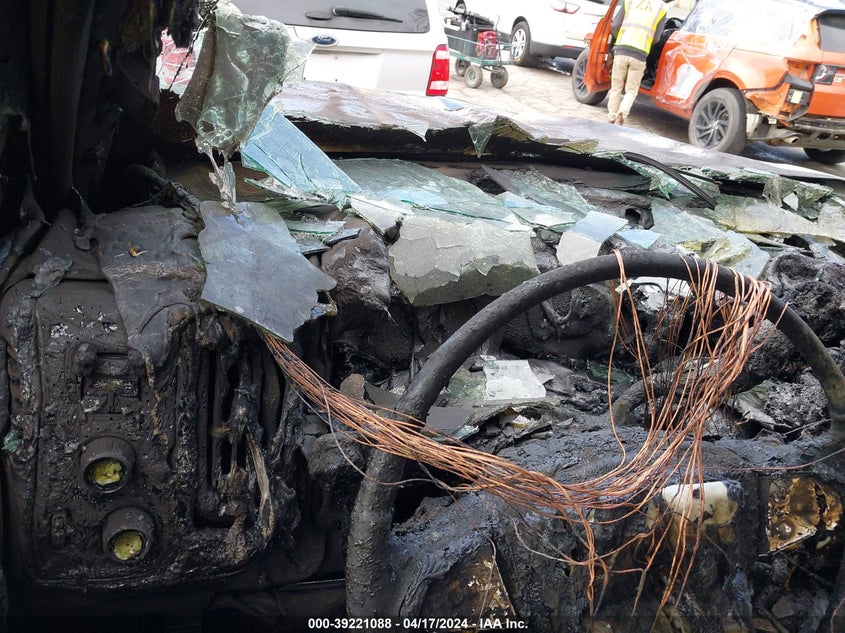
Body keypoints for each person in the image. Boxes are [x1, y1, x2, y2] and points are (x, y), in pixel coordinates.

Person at [607, 0, 668, 125]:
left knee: (616, 87)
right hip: (640, 54)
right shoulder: (662, 7)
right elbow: (657, 37)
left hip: (621, 50)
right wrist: (646, 43)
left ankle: (612, 116)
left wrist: (621, 38)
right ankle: (623, 112)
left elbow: (615, 25)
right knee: (631, 90)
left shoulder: (629, 1)